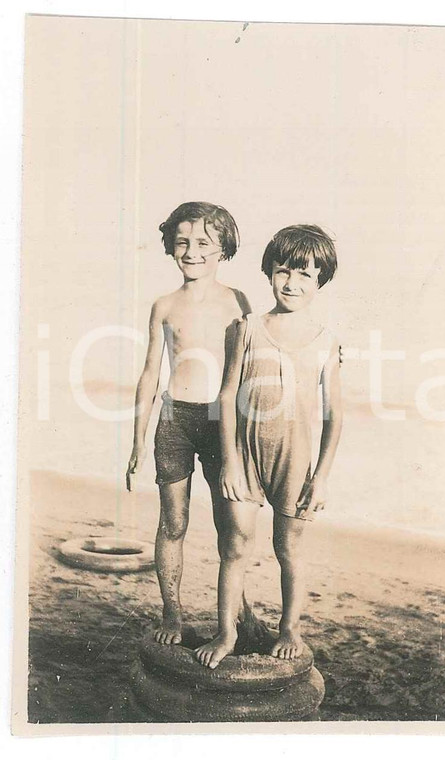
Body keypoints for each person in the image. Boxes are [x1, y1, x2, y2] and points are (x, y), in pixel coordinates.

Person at [195, 224, 343, 669]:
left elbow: (334, 415)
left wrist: (319, 479)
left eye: (305, 276)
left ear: (320, 281)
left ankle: (290, 628)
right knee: (235, 547)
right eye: (283, 272)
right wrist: (231, 464)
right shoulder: (246, 327)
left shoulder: (325, 340)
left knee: (289, 549)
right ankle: (226, 634)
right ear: (269, 272)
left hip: (294, 463)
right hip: (244, 457)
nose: (292, 283)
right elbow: (225, 396)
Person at [126, 201, 252, 646]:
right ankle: (172, 615)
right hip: (174, 418)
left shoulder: (239, 301)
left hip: (221, 422)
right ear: (170, 246)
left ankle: (239, 615)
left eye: (203, 243)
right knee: (173, 523)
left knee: (230, 524)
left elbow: (252, 365)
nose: (192, 251)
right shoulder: (164, 305)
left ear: (223, 250)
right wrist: (137, 442)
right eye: (182, 242)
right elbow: (148, 374)